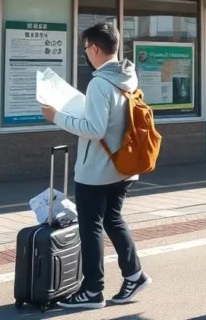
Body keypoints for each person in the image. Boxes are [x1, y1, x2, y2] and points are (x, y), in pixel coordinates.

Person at [40, 23, 150, 309]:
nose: (86, 54)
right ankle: (134, 274)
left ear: (95, 48)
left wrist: (58, 117)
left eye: (86, 48)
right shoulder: (127, 76)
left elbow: (95, 128)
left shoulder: (100, 83)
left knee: (91, 227)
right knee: (113, 220)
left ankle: (92, 291)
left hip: (97, 170)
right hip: (122, 165)